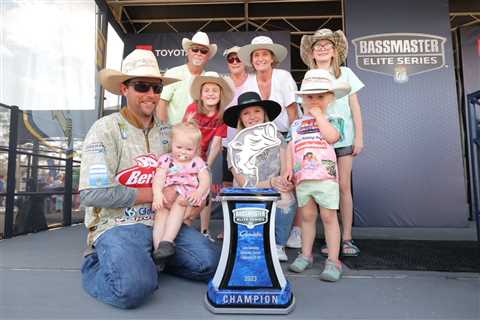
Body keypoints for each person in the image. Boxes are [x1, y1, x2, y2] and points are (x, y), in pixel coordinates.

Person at [79, 49, 219, 309]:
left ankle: (148, 259)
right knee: (133, 289)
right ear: (124, 89)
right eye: (142, 86)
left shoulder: (169, 132)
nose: (151, 94)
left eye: (155, 87)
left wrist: (194, 198)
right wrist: (153, 195)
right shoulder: (104, 129)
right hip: (117, 225)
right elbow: (90, 194)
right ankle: (98, 261)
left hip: (163, 223)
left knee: (210, 263)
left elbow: (195, 171)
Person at [300, 28, 365, 257]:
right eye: (318, 45)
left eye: (327, 44)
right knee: (319, 188)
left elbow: (355, 107)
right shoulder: (310, 76)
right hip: (317, 142)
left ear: (335, 50)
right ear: (312, 52)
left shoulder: (346, 73)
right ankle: (325, 238)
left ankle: (346, 238)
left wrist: (359, 137)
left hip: (344, 139)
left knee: (343, 187)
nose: (322, 48)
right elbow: (306, 107)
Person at [286, 69, 351, 282]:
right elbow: (290, 147)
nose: (314, 101)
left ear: (330, 98)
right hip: (303, 178)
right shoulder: (296, 124)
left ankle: (333, 260)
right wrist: (287, 168)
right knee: (307, 217)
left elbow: (332, 137)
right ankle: (306, 254)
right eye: (309, 96)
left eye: (320, 96)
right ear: (302, 99)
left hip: (326, 178)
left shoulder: (333, 119)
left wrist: (319, 117)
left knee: (329, 216)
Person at [223, 91, 297, 262]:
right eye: (246, 113)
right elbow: (244, 182)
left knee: (286, 197)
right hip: (247, 193)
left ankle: (278, 245)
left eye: (257, 111)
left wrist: (285, 182)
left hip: (274, 190)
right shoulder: (235, 146)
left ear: (264, 114)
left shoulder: (278, 138)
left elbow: (286, 169)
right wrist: (271, 182)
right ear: (240, 119)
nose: (252, 116)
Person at [183, 71, 233, 240]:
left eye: (215, 90)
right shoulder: (192, 109)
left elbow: (217, 143)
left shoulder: (222, 114)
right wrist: (192, 163)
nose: (211, 93)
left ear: (220, 94)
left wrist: (206, 166)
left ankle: (205, 232)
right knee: (187, 190)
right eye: (207, 90)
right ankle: (183, 228)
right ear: (201, 94)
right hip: (187, 154)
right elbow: (186, 135)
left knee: (205, 192)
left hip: (203, 156)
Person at [151, 121, 211, 264]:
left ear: (196, 149)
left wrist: (199, 192)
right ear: (172, 143)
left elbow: (205, 180)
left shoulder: (197, 162)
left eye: (189, 149)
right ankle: (159, 251)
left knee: (180, 203)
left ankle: (167, 241)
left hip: (186, 195)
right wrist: (158, 194)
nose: (183, 152)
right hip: (168, 193)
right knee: (161, 213)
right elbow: (158, 178)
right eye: (179, 147)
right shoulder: (166, 159)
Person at [237, 35, 299, 136]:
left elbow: (293, 111)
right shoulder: (248, 83)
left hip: (287, 133)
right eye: (256, 55)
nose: (260, 58)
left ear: (272, 58)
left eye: (265, 54)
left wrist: (293, 138)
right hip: (261, 136)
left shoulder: (283, 76)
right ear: (252, 60)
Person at [157, 31, 217, 125]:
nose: (199, 53)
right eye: (195, 49)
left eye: (203, 51)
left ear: (208, 56)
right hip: (173, 134)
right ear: (188, 51)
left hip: (199, 135)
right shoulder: (173, 73)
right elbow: (162, 103)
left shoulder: (208, 79)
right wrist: (164, 131)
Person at [221, 46, 253, 190]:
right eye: (231, 59)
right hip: (228, 142)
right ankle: (231, 212)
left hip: (251, 142)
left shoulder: (254, 81)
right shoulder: (222, 82)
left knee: (251, 181)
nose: (234, 62)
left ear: (245, 61)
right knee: (228, 182)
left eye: (238, 58)